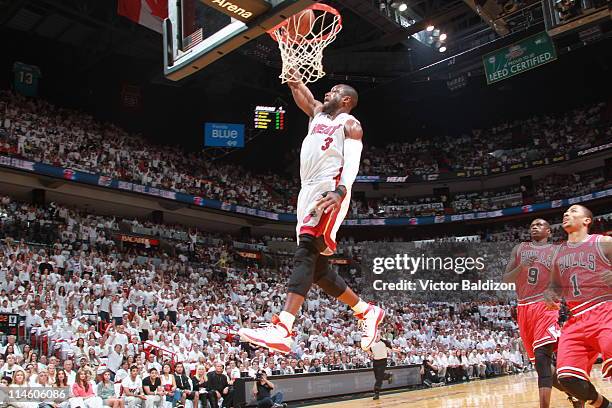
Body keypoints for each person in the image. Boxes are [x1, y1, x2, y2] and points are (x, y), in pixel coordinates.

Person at [238, 78, 384, 354]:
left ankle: (283, 327)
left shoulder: (350, 124)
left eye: (335, 91)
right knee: (318, 272)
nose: (328, 92)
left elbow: (352, 163)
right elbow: (302, 93)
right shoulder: (318, 114)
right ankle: (367, 311)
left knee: (305, 249)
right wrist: (293, 75)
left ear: (346, 101)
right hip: (307, 190)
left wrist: (340, 192)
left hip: (329, 189)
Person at [504, 218, 577, 408]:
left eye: (539, 224)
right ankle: (575, 393)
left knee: (543, 357)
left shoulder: (557, 251)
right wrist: (522, 267)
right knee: (542, 367)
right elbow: (506, 279)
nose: (534, 227)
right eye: (532, 225)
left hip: (544, 306)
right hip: (523, 309)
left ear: (549, 232)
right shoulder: (519, 249)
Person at [545, 205, 611, 408]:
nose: (566, 214)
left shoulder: (603, 242)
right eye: (565, 212)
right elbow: (554, 285)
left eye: (573, 211)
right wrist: (550, 294)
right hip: (575, 319)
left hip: (604, 309)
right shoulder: (558, 253)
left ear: (587, 221)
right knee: (566, 378)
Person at [368, 333, 400, 400]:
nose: (376, 337)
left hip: (383, 361)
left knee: (379, 378)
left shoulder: (384, 342)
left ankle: (376, 393)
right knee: (377, 377)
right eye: (375, 335)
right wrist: (370, 354)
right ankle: (388, 376)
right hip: (375, 361)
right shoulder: (371, 343)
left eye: (378, 335)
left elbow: (391, 349)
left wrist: (398, 350)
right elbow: (368, 350)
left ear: (380, 336)